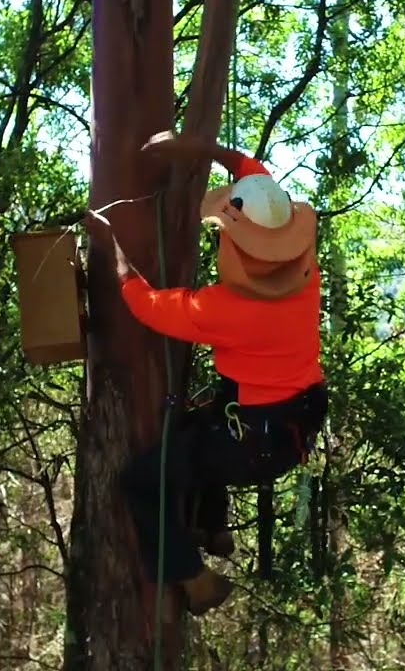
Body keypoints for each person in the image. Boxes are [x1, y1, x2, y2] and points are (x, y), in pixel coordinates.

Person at [87, 131, 329, 616]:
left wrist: (110, 245)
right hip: (295, 420)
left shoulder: (225, 309)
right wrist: (196, 148)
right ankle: (213, 528)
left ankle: (194, 579)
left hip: (252, 442)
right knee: (198, 427)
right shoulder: (305, 277)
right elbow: (252, 174)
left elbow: (145, 303)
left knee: (141, 480)